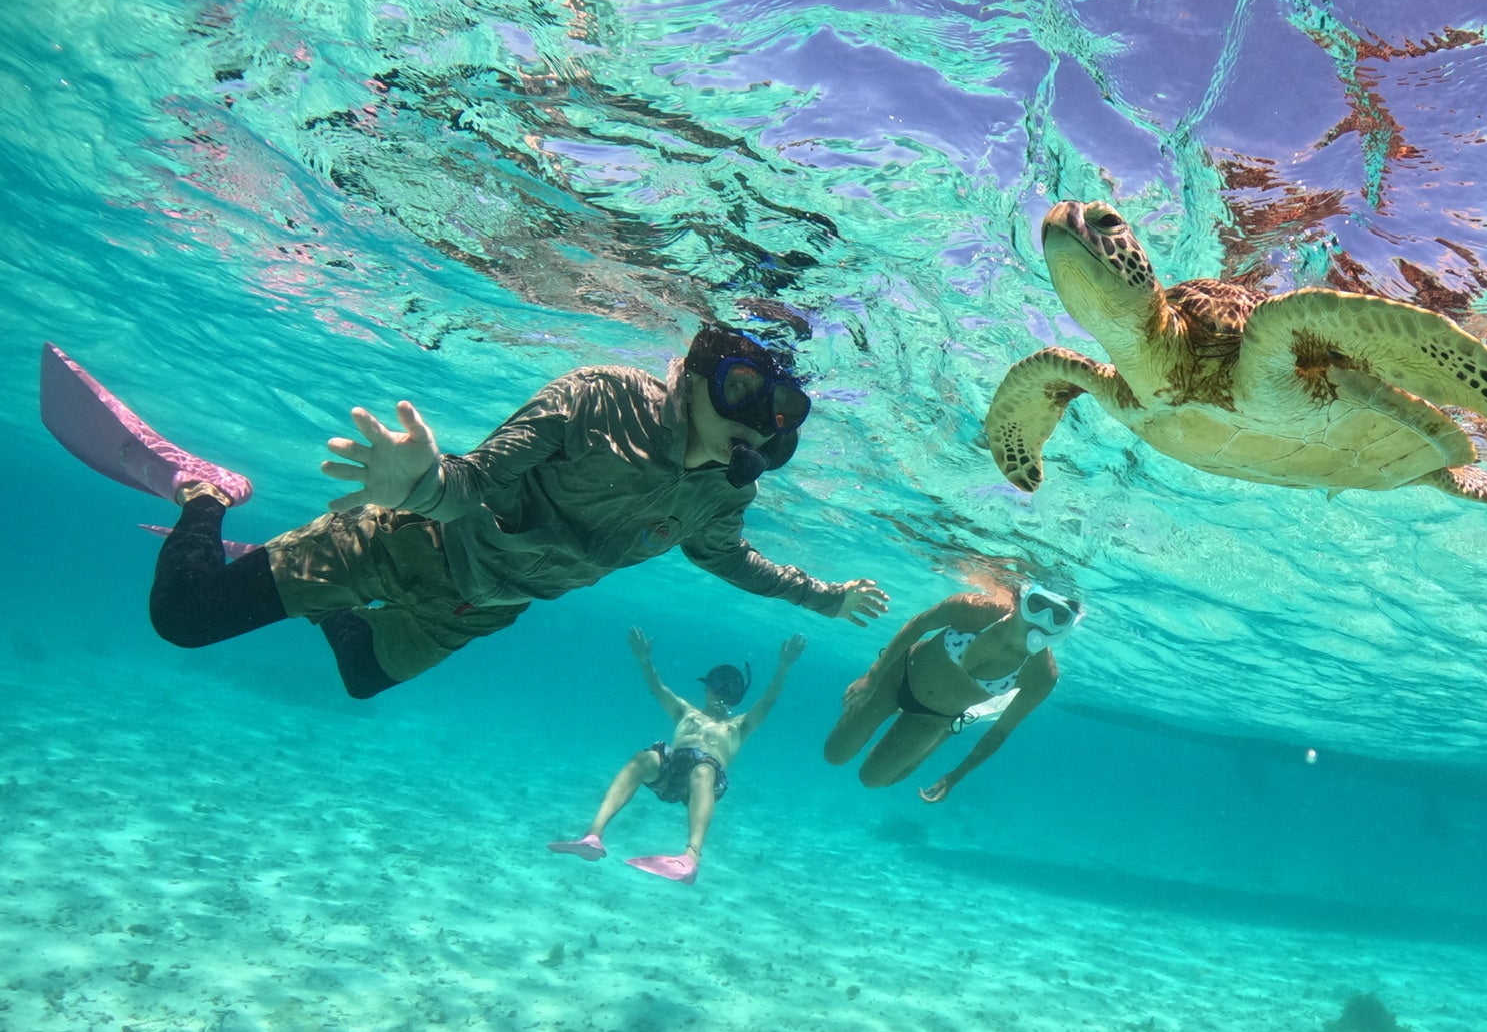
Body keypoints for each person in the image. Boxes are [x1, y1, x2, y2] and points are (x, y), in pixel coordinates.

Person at [40, 330, 887, 698]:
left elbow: (728, 557)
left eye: (781, 406)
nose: (758, 415)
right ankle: (204, 492)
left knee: (363, 677)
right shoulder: (601, 399)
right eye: (743, 386)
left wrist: (825, 598)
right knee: (184, 620)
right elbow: (472, 481)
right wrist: (417, 486)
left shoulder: (724, 492)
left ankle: (316, 598)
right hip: (400, 543)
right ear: (697, 375)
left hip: (480, 608)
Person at [549, 629, 802, 882]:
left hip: (703, 780)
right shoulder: (686, 712)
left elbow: (767, 702)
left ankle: (691, 856)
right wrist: (644, 659)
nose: (716, 694)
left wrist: (784, 668)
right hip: (671, 770)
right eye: (715, 688)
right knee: (643, 759)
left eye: (721, 690)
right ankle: (593, 836)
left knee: (702, 770)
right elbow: (657, 688)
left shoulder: (738, 726)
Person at [823, 582, 1077, 802]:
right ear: (1021, 599)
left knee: (872, 779)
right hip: (898, 678)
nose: (1043, 618)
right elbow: (918, 625)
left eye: (1058, 616)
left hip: (933, 718)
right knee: (834, 754)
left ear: (1067, 625)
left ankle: (945, 733)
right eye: (1037, 604)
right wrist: (872, 676)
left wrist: (955, 776)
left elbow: (999, 733)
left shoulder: (1041, 674)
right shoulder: (976, 610)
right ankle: (936, 728)